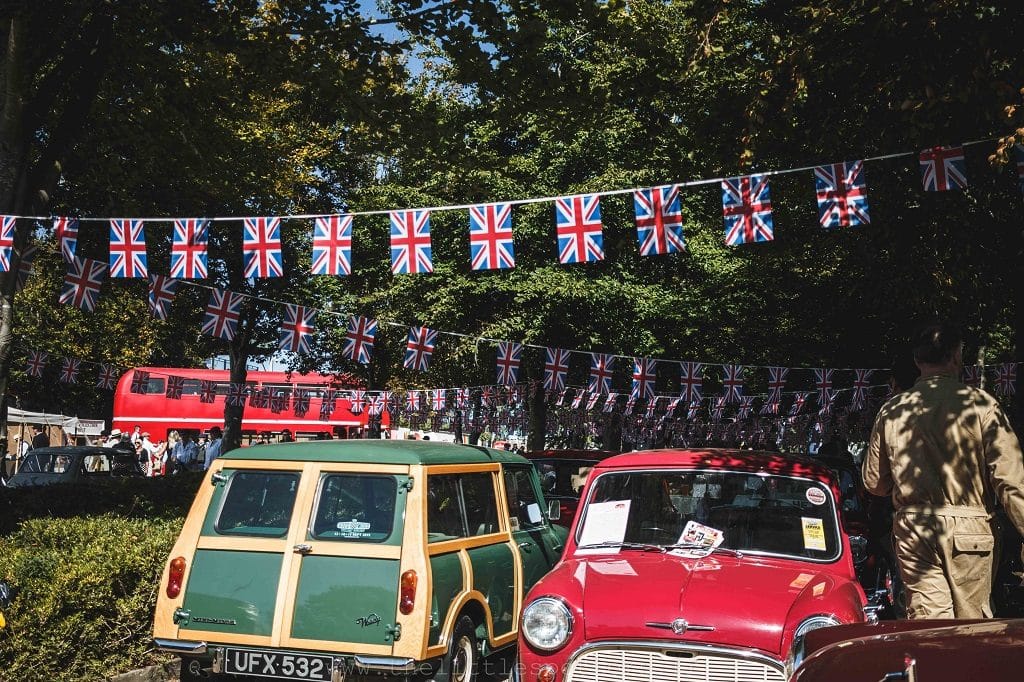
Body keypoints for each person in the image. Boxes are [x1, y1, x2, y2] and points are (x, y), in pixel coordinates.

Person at [863, 322, 1024, 618]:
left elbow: (874, 483)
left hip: (916, 530)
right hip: (972, 533)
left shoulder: (893, 410)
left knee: (930, 629)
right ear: (957, 357)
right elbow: (1011, 481)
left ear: (917, 360)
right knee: (969, 631)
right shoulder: (983, 406)